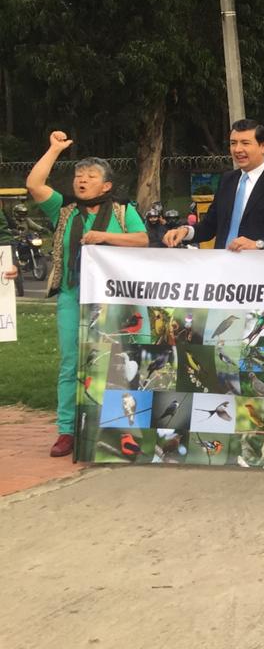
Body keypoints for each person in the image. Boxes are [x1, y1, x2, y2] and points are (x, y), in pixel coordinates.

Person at [26, 131, 148, 457]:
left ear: (106, 186)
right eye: (79, 175)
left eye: (91, 176)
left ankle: (113, 427)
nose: (82, 180)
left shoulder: (123, 212)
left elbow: (142, 240)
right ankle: (66, 431)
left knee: (115, 363)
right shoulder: (63, 211)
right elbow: (35, 184)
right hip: (71, 295)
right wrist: (53, 149)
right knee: (70, 363)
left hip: (113, 300)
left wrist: (104, 237)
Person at [162, 120, 264, 251]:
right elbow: (210, 226)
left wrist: (259, 244)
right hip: (224, 271)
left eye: (245, 143)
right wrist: (185, 231)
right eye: (233, 143)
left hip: (261, 273)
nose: (237, 149)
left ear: (263, 146)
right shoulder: (227, 180)